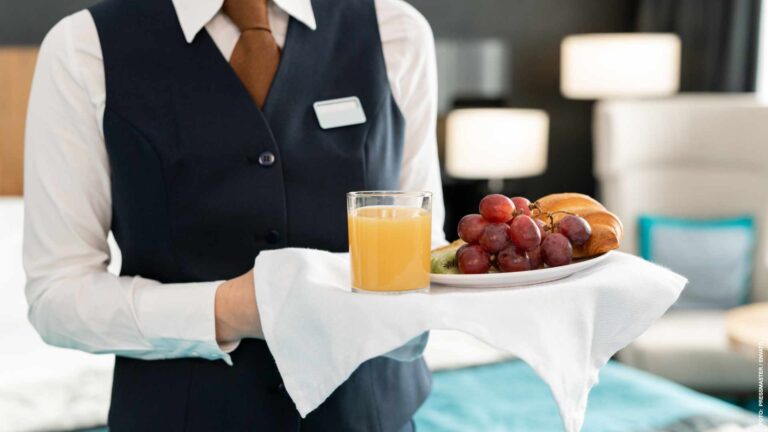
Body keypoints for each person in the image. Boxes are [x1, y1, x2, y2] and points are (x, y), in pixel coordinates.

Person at [22, 0, 446, 430]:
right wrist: (229, 310)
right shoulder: (83, 47)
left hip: (372, 417)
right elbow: (56, 297)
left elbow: (426, 250)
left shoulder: (396, 30)